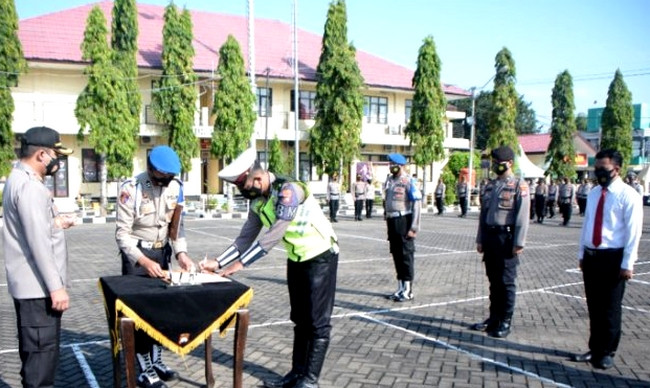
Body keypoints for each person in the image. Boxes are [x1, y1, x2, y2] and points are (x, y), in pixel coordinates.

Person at [200, 148, 339, 388]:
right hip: (297, 259)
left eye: (243, 186)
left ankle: (310, 380)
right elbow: (246, 236)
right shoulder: (258, 201)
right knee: (300, 319)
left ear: (257, 177)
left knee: (317, 322)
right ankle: (297, 374)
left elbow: (273, 235)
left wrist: (240, 264)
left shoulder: (289, 190)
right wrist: (219, 262)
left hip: (320, 257)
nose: (243, 192)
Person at [116, 145, 195, 388]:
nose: (168, 181)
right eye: (164, 176)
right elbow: (122, 234)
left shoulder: (176, 188)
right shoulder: (132, 189)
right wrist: (143, 260)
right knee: (138, 314)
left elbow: (176, 227)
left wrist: (181, 253)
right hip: (137, 258)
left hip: (163, 254)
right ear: (151, 169)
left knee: (161, 310)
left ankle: (156, 359)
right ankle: (144, 368)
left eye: (171, 176)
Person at [3, 126, 75, 388]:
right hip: (38, 289)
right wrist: (56, 288)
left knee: (34, 358)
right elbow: (38, 243)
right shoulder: (31, 187)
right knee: (41, 365)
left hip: (29, 286)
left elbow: (34, 228)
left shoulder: (17, 178)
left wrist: (56, 224)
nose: (58, 160)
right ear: (42, 155)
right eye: (56, 153)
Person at [570, 149, 642, 370]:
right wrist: (582, 254)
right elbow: (587, 226)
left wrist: (627, 264)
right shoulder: (593, 193)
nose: (599, 172)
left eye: (604, 168)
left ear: (617, 169)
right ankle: (595, 348)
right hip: (592, 257)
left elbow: (633, 233)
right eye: (597, 168)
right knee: (593, 306)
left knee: (610, 308)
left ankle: (607, 351)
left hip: (613, 259)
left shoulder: (628, 195)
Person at [471, 145, 529, 338]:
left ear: (510, 163)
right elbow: (483, 215)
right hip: (490, 236)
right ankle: (494, 318)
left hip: (507, 238)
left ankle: (505, 320)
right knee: (494, 280)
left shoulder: (519, 185)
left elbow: (522, 216)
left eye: (499, 163)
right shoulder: (490, 185)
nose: (495, 166)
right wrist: (480, 238)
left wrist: (518, 242)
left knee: (506, 281)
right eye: (494, 163)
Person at [383, 153, 422, 302]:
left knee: (406, 256)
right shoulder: (390, 181)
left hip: (404, 220)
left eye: (394, 164)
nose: (391, 166)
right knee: (396, 254)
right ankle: (400, 287)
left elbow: (416, 205)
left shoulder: (409, 182)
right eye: (390, 164)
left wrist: (414, 227)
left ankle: (408, 290)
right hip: (392, 221)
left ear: (401, 165)